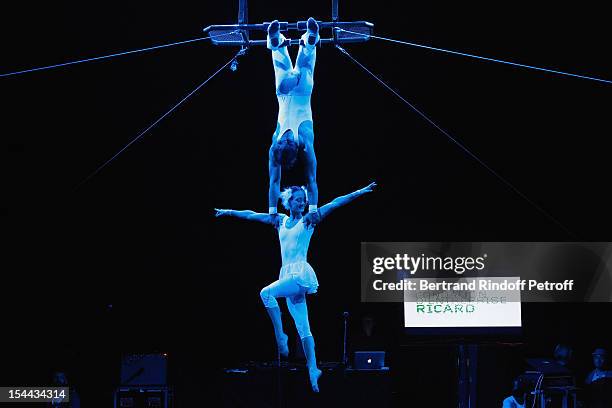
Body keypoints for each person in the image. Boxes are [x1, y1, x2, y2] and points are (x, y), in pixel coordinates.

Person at [215, 181, 376, 392]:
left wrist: (360, 192)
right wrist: (228, 211)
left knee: (266, 293)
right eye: (298, 200)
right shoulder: (279, 221)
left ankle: (281, 335)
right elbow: (251, 214)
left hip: (300, 275)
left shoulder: (309, 220)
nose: (302, 203)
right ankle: (313, 369)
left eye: (303, 200)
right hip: (287, 275)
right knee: (303, 327)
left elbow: (335, 203)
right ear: (289, 201)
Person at [267, 17, 321, 228]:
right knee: (300, 71)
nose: (287, 135)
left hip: (290, 93)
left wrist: (272, 211)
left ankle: (281, 42)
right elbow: (311, 180)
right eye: (289, 138)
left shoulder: (276, 148)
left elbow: (274, 182)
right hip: (297, 94)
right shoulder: (304, 144)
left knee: (288, 77)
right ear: (294, 145)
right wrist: (314, 210)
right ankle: (306, 42)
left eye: (285, 137)